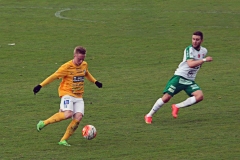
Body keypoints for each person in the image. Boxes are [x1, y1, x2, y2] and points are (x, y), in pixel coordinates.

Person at [33, 46, 103, 146]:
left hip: (79, 96)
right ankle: (44, 122)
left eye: (83, 58)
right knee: (68, 114)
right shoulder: (66, 67)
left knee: (78, 117)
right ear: (75, 55)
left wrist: (95, 82)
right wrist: (40, 85)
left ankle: (63, 140)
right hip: (67, 94)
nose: (81, 61)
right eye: (79, 59)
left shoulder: (84, 64)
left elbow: (86, 73)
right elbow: (54, 76)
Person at [145, 31, 213, 124]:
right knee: (166, 98)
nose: (194, 41)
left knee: (199, 96)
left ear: (202, 40)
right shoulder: (189, 49)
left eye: (197, 39)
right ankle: (149, 115)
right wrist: (204, 60)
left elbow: (198, 64)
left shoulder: (204, 51)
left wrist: (200, 64)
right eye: (193, 39)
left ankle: (176, 106)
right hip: (179, 77)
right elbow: (190, 64)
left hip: (189, 80)